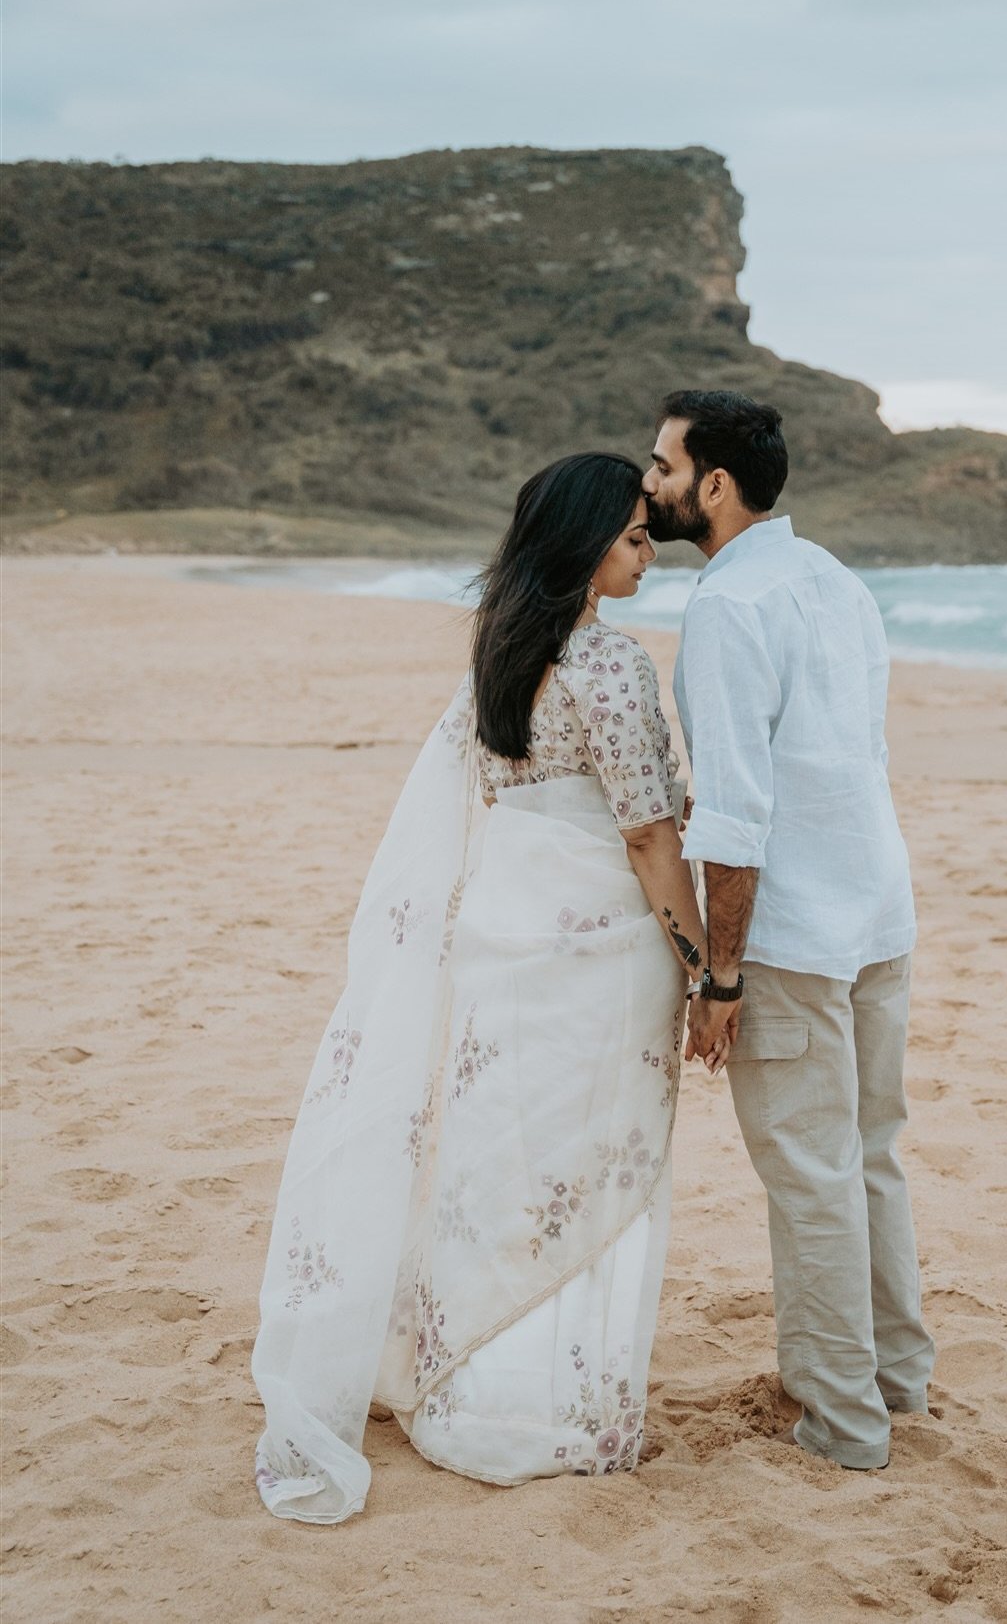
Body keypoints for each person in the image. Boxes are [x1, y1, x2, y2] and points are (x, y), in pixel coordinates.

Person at [251, 453, 710, 1522]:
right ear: (588, 541)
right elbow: (648, 832)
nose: (648, 555)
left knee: (500, 1156)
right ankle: (547, 1404)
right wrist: (703, 962)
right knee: (591, 1155)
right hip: (599, 950)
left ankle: (461, 1376)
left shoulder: (502, 653)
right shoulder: (609, 666)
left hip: (503, 937)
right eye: (636, 537)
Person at [643, 390, 936, 1473]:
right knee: (869, 1157)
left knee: (813, 1173)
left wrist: (720, 976)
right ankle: (898, 1380)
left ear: (715, 483)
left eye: (663, 464)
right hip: (877, 911)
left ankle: (844, 1419)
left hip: (800, 932)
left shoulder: (727, 608)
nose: (651, 483)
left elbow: (733, 812)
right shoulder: (839, 582)